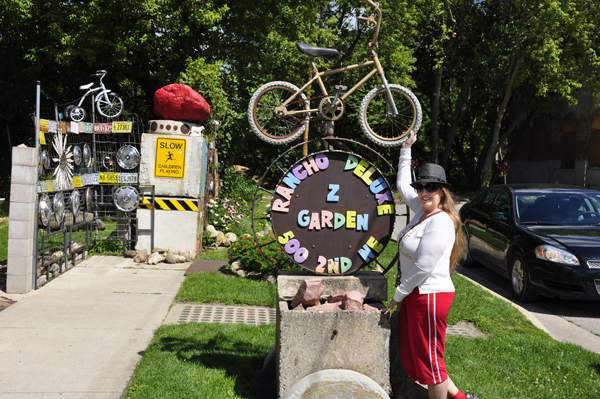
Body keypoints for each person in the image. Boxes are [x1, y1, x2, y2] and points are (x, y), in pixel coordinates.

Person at [382, 131, 479, 399]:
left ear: (442, 191)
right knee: (422, 358)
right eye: (421, 187)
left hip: (430, 296)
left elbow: (423, 266)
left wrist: (397, 296)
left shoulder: (441, 221)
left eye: (431, 187)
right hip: (418, 295)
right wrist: (405, 150)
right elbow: (403, 185)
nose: (423, 192)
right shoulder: (423, 212)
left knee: (432, 363)